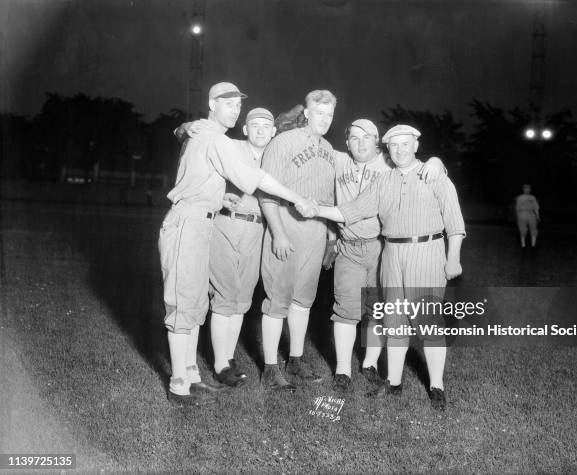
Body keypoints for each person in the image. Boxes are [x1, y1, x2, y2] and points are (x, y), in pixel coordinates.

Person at [159, 82, 316, 405]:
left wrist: (220, 196)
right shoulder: (214, 138)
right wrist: (297, 197)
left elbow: (187, 142)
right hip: (187, 223)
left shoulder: (205, 134)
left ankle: (191, 374)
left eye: (237, 105)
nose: (234, 109)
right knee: (182, 303)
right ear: (211, 104)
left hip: (203, 220)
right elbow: (257, 179)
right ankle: (178, 384)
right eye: (227, 104)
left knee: (196, 304)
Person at [305, 124, 465, 410]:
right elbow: (350, 211)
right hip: (391, 252)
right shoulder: (383, 180)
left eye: (405, 144)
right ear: (387, 150)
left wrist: (453, 258)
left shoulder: (434, 175)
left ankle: (437, 385)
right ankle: (393, 382)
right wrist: (315, 208)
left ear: (416, 145)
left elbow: (455, 222)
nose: (400, 150)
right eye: (394, 145)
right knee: (394, 320)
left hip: (426, 251)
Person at [330, 119, 445, 392]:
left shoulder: (389, 161)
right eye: (354, 138)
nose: (361, 143)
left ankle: (370, 364)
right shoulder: (337, 160)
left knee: (381, 311)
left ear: (378, 141)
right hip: (351, 246)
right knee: (346, 309)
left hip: (383, 247)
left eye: (368, 137)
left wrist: (438, 160)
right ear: (346, 143)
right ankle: (343, 371)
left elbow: (418, 163)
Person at [258, 90, 337, 391]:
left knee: (303, 301)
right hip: (287, 224)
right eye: (319, 113)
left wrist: (330, 232)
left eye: (329, 114)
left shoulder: (329, 148)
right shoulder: (282, 142)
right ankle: (269, 368)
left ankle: (296, 359)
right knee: (277, 300)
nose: (325, 119)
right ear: (306, 112)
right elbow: (266, 192)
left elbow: (327, 198)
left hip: (315, 230)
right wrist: (277, 232)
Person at [515, 184, 540, 248]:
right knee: (522, 230)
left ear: (530, 189)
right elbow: (517, 208)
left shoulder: (532, 197)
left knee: (533, 229)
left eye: (528, 188)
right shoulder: (520, 197)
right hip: (522, 214)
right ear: (523, 189)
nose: (527, 190)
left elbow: (535, 207)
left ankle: (533, 245)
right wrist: (518, 216)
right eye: (525, 188)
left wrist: (537, 216)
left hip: (531, 214)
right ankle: (523, 245)